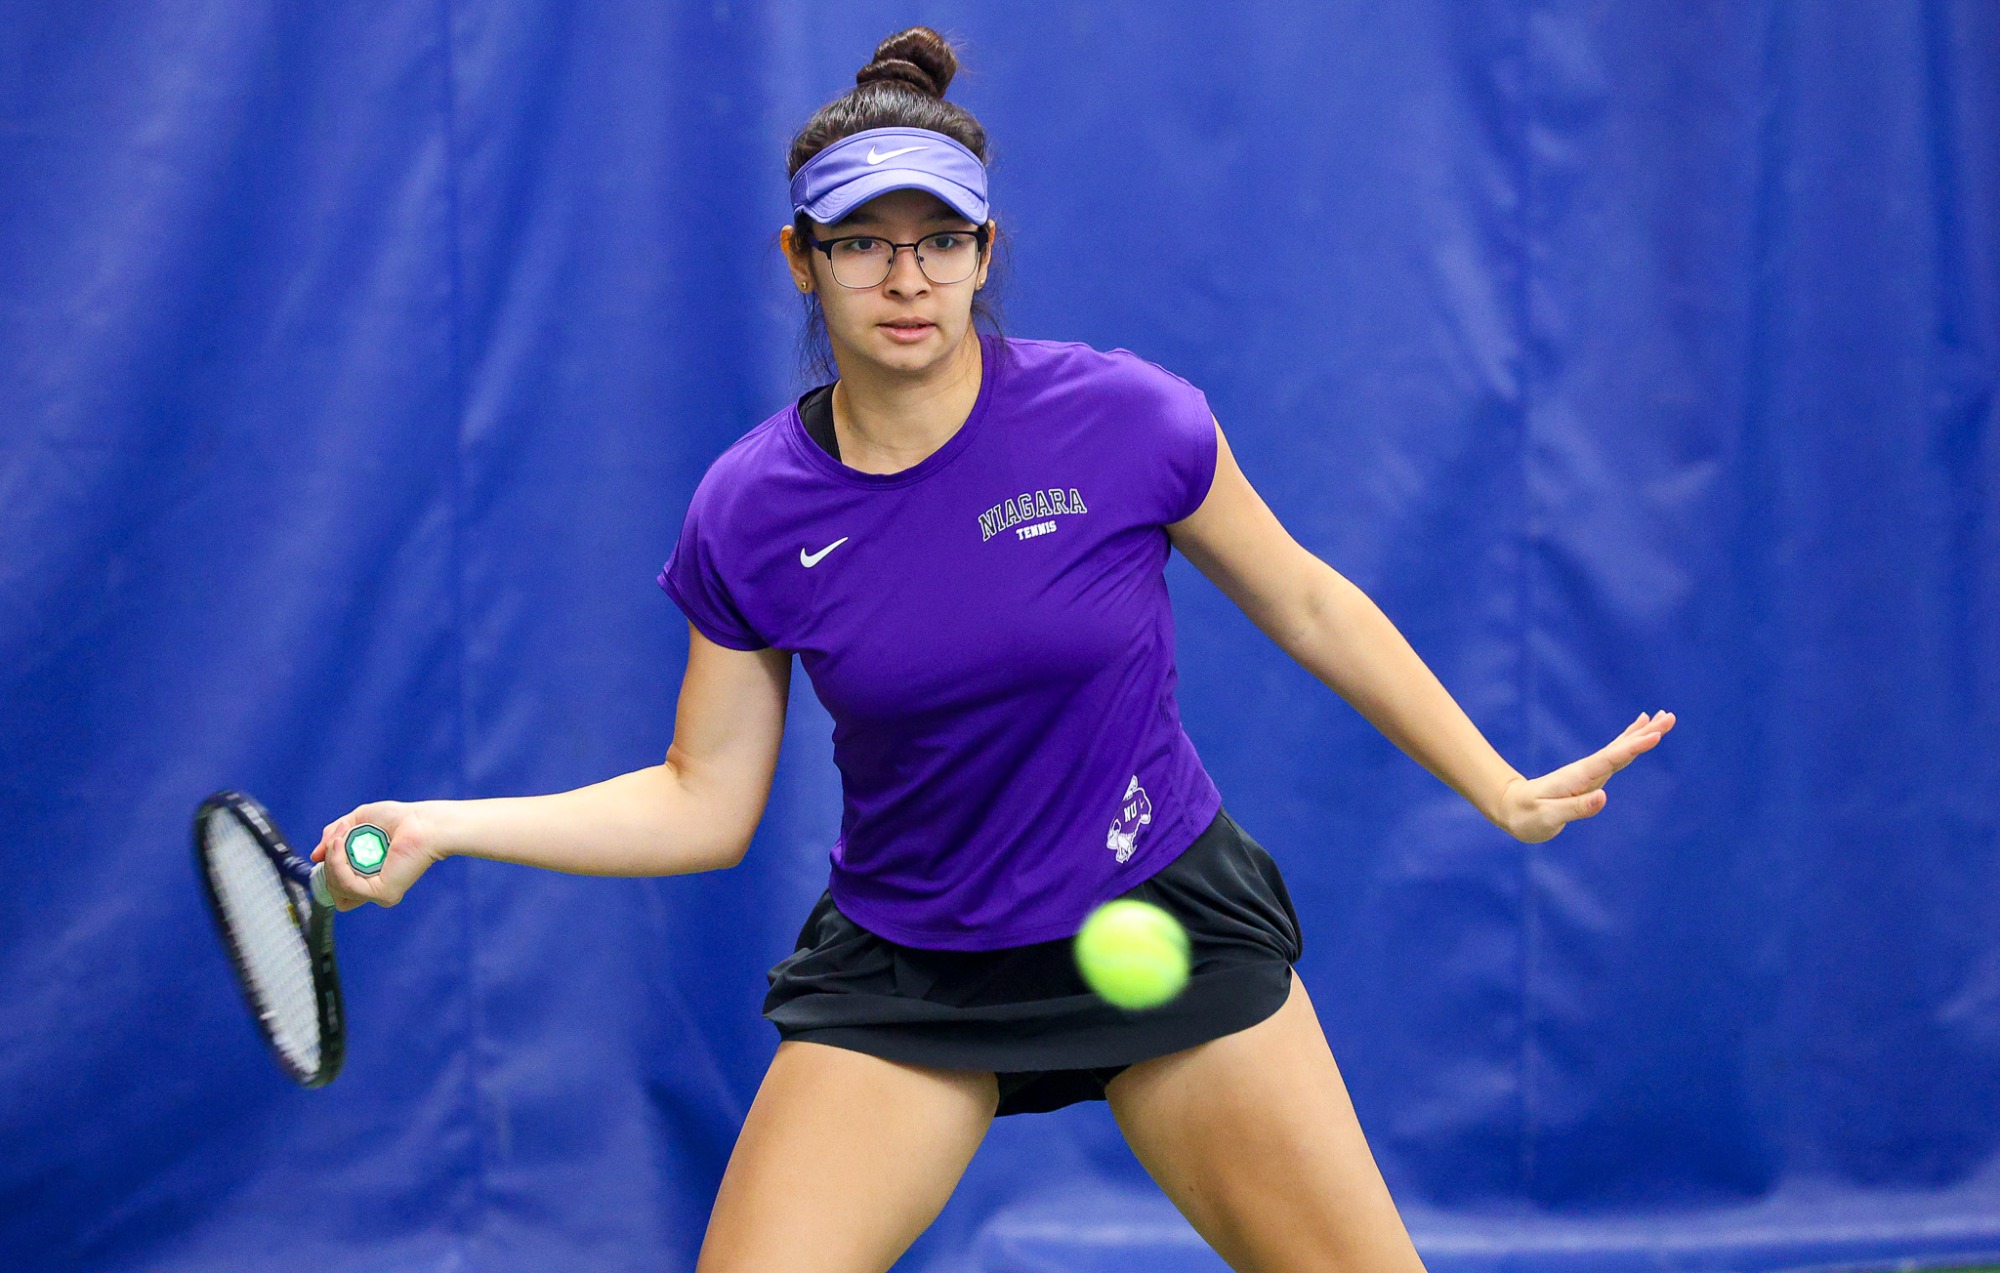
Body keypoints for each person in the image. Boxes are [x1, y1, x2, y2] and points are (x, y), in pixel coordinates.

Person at [312, 25, 1676, 1273]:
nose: (906, 277)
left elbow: (1309, 601)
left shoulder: (1129, 422)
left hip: (1161, 921)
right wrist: (444, 823)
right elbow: (701, 797)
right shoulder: (750, 508)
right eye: (860, 240)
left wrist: (1493, 781)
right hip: (915, 964)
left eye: (940, 239)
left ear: (984, 249)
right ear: (802, 258)